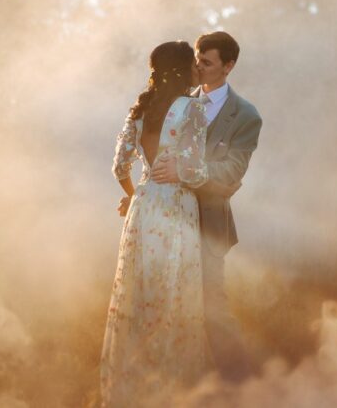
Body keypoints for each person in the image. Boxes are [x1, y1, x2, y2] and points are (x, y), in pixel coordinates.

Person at [100, 40, 209, 407]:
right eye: (193, 63)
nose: (198, 69)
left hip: (145, 207)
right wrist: (184, 172)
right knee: (174, 295)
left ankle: (139, 386)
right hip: (176, 204)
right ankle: (173, 388)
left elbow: (119, 167)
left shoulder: (141, 110)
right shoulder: (192, 108)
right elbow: (196, 170)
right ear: (182, 69)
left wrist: (135, 194)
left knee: (143, 292)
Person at [151, 31, 263, 382]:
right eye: (196, 58)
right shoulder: (177, 101)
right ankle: (180, 385)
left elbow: (231, 173)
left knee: (212, 309)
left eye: (207, 62)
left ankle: (244, 387)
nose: (196, 66)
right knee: (165, 305)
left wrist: (184, 172)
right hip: (165, 220)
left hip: (208, 225)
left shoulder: (246, 115)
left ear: (228, 67)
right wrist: (140, 193)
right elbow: (155, 156)